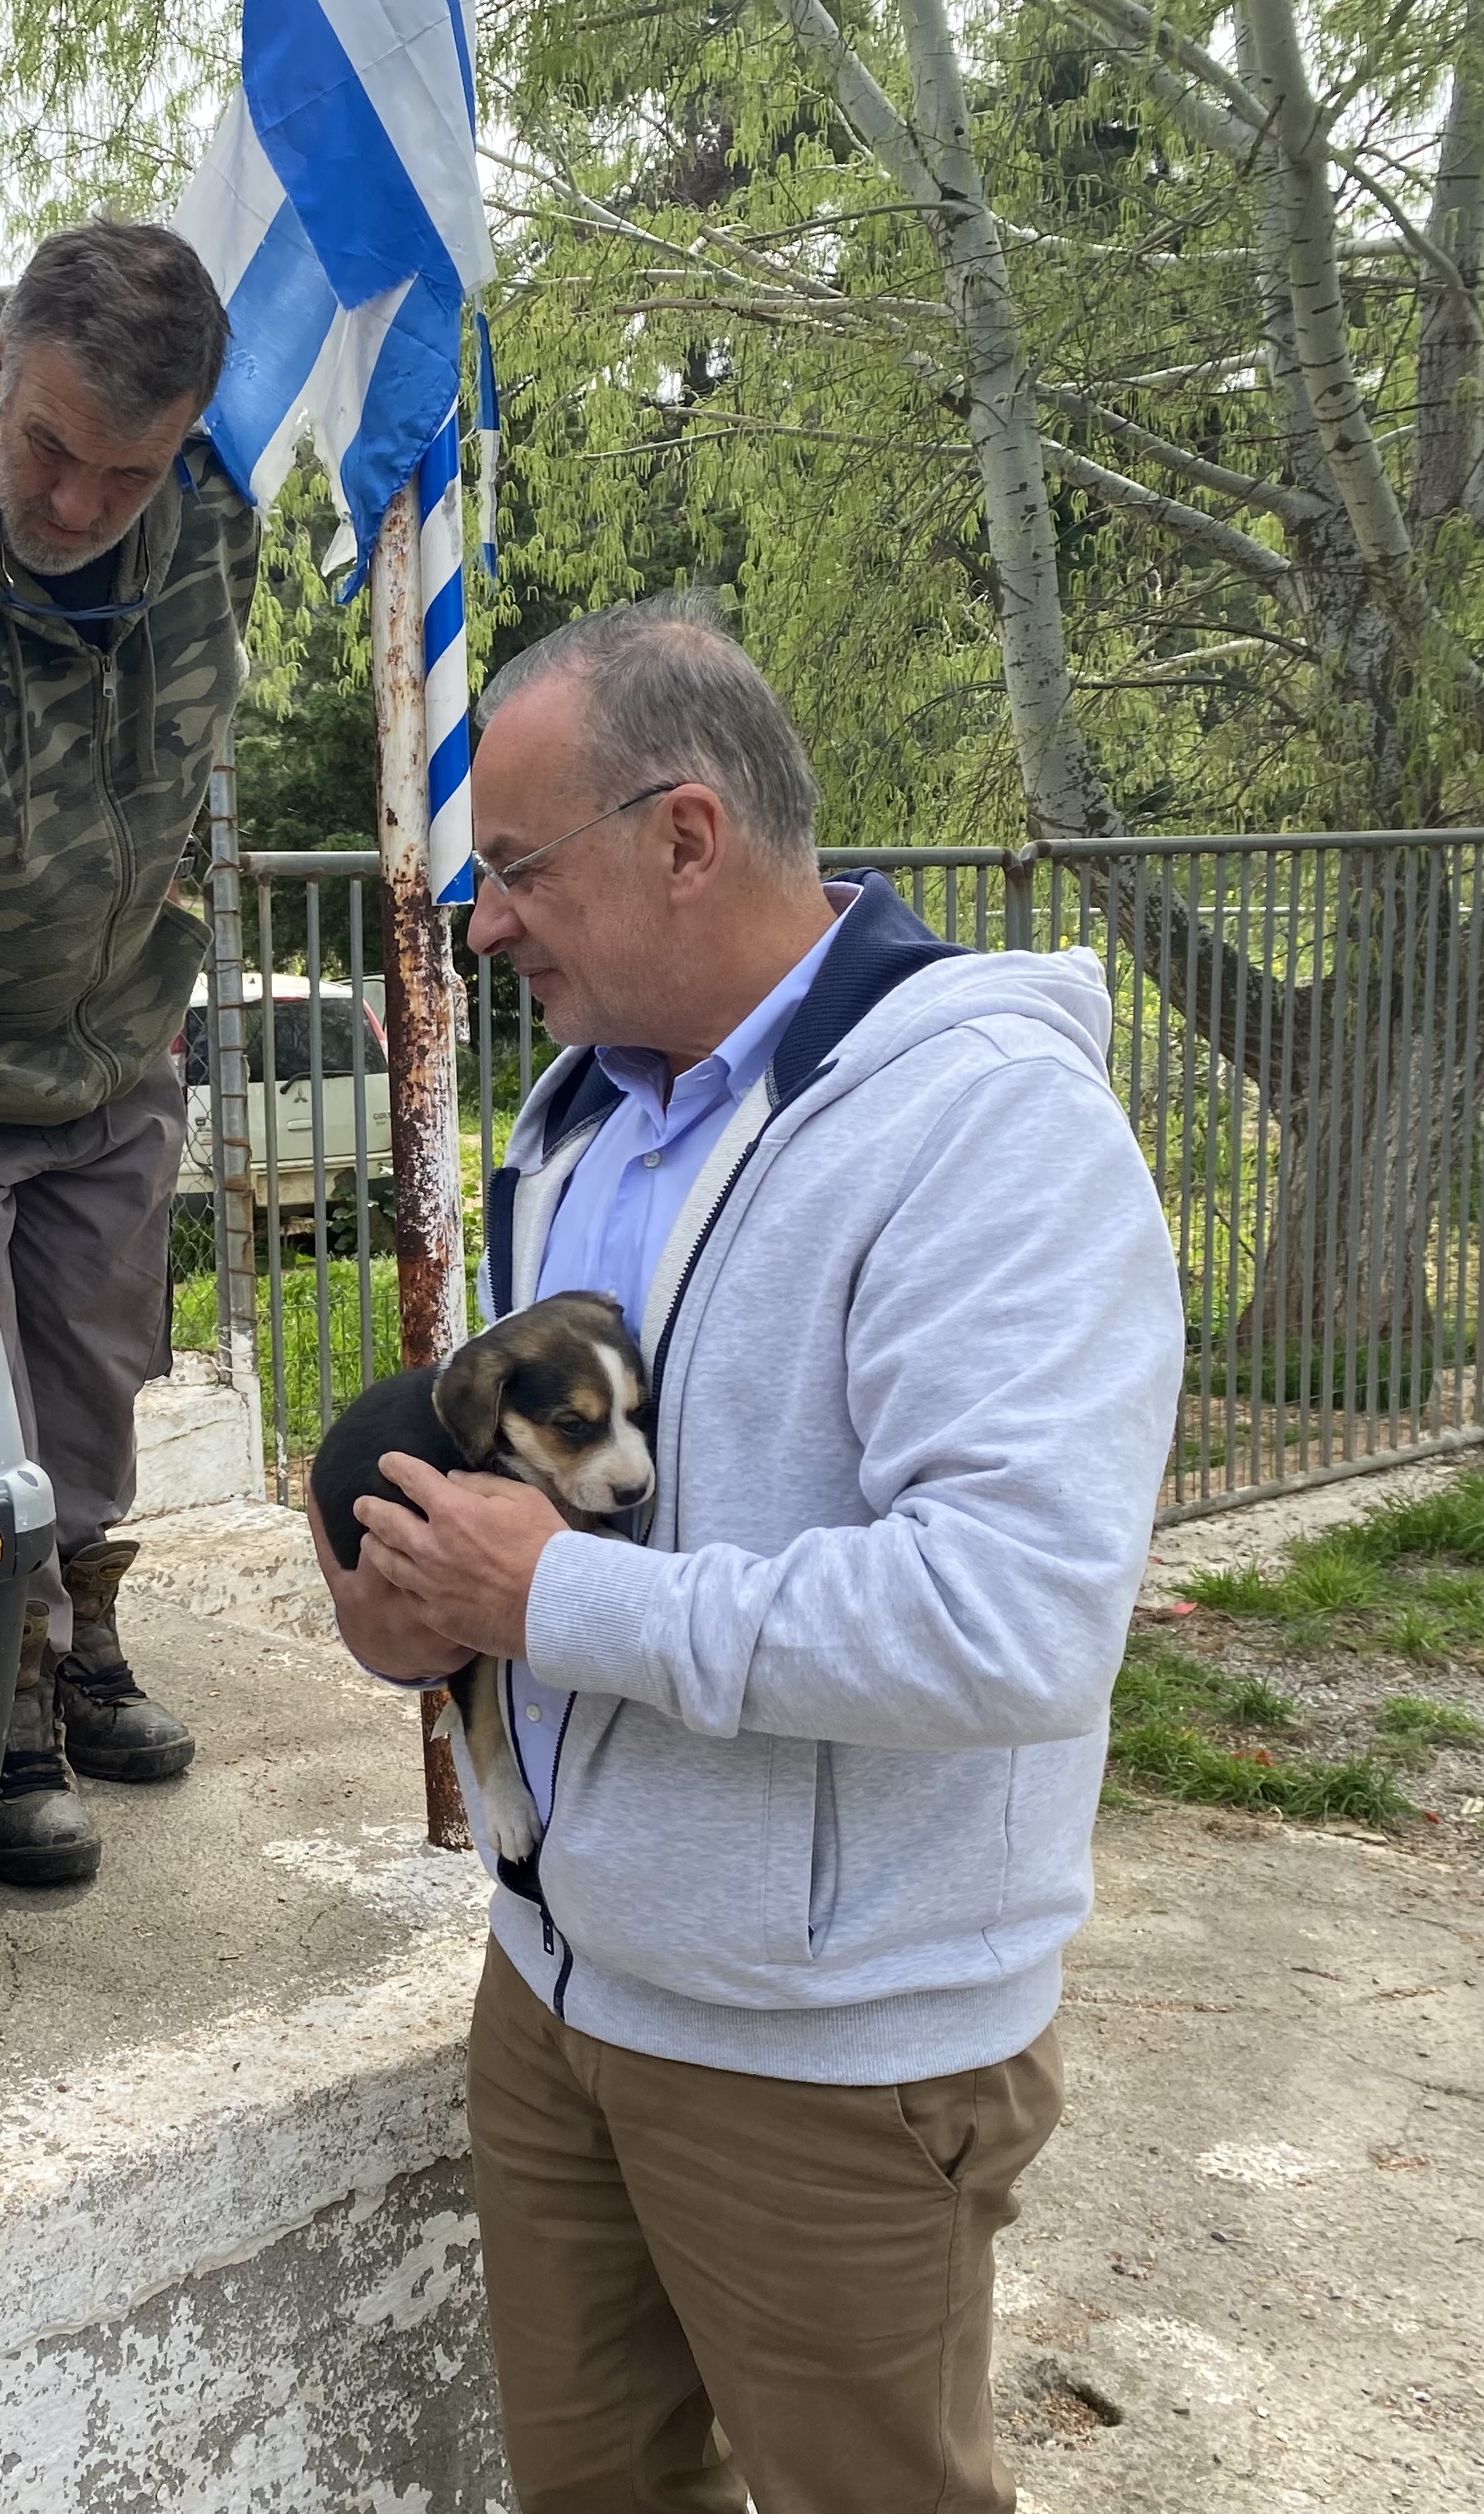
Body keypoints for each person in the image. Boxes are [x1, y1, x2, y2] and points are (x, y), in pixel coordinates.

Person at [312, 592, 1185, 2514]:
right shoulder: (577, 1124)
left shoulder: (986, 1127)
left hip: (829, 2052)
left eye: (520, 867)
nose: (484, 921)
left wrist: (555, 1596)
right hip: (556, 1999)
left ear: (686, 835)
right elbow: (557, 1547)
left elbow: (1017, 1619)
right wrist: (433, 1617)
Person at [0, 223, 256, 1886]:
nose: (81, 502)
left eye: (127, 468)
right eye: (45, 447)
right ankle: (7, 1699)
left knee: (95, 1372)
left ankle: (82, 1645)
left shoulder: (214, 520)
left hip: (111, 1041)